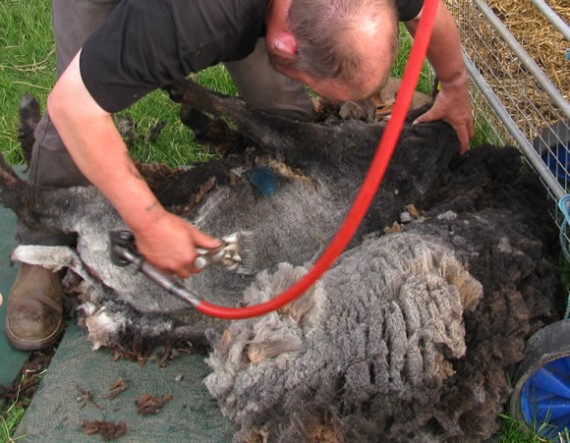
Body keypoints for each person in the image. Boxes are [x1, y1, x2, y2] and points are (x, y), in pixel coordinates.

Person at [5, 0, 473, 351]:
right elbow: (75, 105)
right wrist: (148, 223)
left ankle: (257, 183)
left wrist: (454, 86)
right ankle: (41, 253)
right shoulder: (196, 16)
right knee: (75, 118)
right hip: (174, 12)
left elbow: (427, 10)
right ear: (283, 42)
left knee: (280, 107)